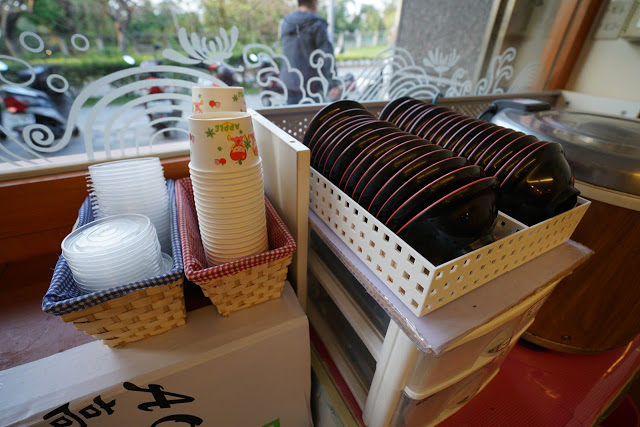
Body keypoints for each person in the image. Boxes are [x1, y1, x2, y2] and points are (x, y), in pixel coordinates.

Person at [280, 0, 337, 104]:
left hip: (288, 83)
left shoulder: (285, 23)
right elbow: (326, 55)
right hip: (311, 85)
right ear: (314, 2)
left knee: (291, 113)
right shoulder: (317, 24)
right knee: (313, 113)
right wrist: (333, 84)